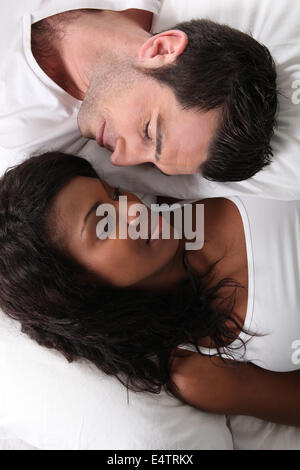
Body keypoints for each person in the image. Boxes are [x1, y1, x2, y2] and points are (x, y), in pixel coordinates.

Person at [0, 151, 299, 427]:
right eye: (104, 225)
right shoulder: (198, 369)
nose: (133, 209)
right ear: (79, 285)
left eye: (114, 193)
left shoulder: (181, 177)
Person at [1, 1, 300, 200]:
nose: (120, 159)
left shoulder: (22, 145)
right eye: (148, 132)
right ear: (161, 49)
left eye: (150, 164)